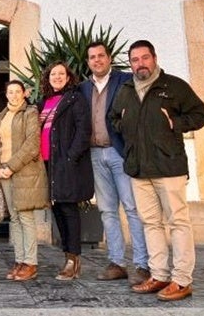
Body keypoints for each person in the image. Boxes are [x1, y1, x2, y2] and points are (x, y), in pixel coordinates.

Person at [110, 39, 204, 301]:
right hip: (139, 169)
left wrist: (174, 123)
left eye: (144, 58)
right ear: (130, 63)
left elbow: (200, 115)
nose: (140, 64)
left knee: (178, 222)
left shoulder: (173, 86)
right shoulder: (127, 89)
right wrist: (126, 131)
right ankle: (159, 274)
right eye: (135, 60)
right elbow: (113, 118)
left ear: (154, 58)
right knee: (150, 223)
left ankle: (182, 280)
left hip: (169, 166)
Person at [78, 42, 150, 286]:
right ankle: (117, 263)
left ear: (109, 58)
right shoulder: (83, 88)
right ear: (87, 62)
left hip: (120, 153)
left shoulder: (126, 80)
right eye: (92, 57)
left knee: (131, 208)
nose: (96, 60)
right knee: (107, 211)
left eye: (101, 56)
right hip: (96, 155)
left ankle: (142, 264)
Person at [38, 61, 94, 281]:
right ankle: (67, 256)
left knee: (68, 209)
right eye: (53, 74)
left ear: (69, 77)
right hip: (46, 164)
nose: (57, 77)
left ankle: (73, 259)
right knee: (58, 210)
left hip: (65, 163)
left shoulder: (75, 99)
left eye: (62, 74)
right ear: (48, 78)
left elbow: (83, 130)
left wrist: (70, 156)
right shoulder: (43, 101)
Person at [0, 80, 49, 281]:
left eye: (17, 92)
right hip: (4, 172)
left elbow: (32, 144)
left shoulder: (30, 113)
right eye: (10, 92)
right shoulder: (0, 116)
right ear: (6, 94)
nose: (13, 95)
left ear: (24, 93)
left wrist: (10, 166)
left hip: (24, 170)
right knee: (14, 217)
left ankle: (31, 263)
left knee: (25, 217)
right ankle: (20, 260)